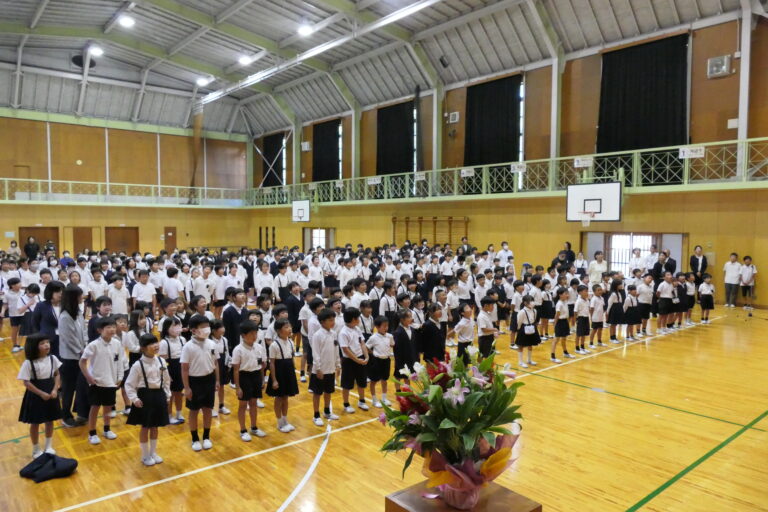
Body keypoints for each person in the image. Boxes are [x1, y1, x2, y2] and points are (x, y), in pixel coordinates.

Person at [125, 333, 171, 466]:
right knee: (145, 427)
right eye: (151, 343)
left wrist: (167, 395)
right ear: (143, 348)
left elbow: (166, 380)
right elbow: (129, 384)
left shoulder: (161, 361)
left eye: (156, 342)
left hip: (159, 395)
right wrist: (134, 398)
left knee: (155, 426)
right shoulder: (138, 365)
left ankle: (153, 452)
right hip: (145, 396)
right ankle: (145, 455)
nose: (156, 345)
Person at [80, 316, 127, 445]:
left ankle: (107, 429)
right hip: (97, 382)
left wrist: (120, 377)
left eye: (113, 327)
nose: (112, 329)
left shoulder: (117, 343)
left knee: (108, 407)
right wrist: (89, 377)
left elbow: (120, 362)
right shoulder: (93, 345)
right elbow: (82, 362)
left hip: (111, 382)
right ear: (100, 330)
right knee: (95, 408)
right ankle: (92, 433)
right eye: (108, 327)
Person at [18, 333, 62, 459]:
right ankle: (36, 448)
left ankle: (48, 446)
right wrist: (41, 393)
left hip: (50, 392)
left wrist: (55, 389)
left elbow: (57, 374)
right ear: (34, 346)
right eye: (42, 343)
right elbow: (26, 382)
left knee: (50, 420)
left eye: (47, 342)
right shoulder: (28, 363)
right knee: (35, 422)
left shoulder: (53, 359)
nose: (46, 345)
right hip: (35, 394)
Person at [181, 314, 219, 451]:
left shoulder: (212, 344)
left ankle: (207, 436)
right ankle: (195, 438)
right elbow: (184, 369)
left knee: (208, 409)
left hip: (209, 379)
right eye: (203, 327)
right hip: (194, 381)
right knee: (194, 411)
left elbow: (215, 363)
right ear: (193, 330)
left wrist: (217, 380)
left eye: (207, 326)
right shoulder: (188, 347)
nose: (207, 329)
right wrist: (187, 387)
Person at [58, 285, 89, 428]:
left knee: (81, 386)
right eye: (79, 295)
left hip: (81, 355)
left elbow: (83, 331)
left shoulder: (78, 312)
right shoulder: (64, 316)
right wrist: (81, 351)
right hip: (69, 358)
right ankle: (65, 415)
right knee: (68, 388)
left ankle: (81, 412)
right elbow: (68, 338)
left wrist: (86, 346)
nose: (81, 298)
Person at [231, 320, 267, 441]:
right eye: (251, 333)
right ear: (243, 335)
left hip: (256, 376)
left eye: (255, 333)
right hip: (244, 377)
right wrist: (237, 387)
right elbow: (236, 370)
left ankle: (254, 427)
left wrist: (262, 379)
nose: (254, 336)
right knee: (243, 405)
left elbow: (261, 365)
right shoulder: (238, 349)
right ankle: (243, 430)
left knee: (253, 403)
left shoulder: (259, 347)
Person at [309, 308, 341, 425]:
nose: (333, 322)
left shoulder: (334, 333)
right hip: (320, 370)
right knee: (317, 393)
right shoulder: (317, 335)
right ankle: (316, 415)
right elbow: (315, 353)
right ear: (322, 322)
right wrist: (318, 368)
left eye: (334, 319)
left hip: (331, 368)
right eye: (330, 320)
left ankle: (327, 411)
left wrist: (338, 365)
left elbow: (336, 349)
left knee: (328, 392)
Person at [267, 318, 299, 433]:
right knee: (279, 398)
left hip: (288, 371)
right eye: (286, 327)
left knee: (286, 397)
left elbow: (291, 358)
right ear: (278, 331)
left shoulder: (291, 342)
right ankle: (279, 422)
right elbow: (272, 363)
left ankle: (285, 420)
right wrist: (274, 380)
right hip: (279, 372)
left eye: (289, 326)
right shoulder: (274, 345)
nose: (289, 329)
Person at [158, 317, 185, 425]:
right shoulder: (164, 342)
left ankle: (179, 413)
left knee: (179, 392)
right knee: (170, 395)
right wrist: (166, 375)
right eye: (174, 326)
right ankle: (168, 415)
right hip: (170, 368)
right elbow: (162, 361)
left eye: (178, 325)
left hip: (181, 367)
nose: (177, 328)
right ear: (167, 328)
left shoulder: (182, 340)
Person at [32, 281, 64, 358]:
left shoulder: (66, 305)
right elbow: (35, 323)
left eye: (62, 291)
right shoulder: (41, 305)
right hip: (48, 339)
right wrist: (40, 338)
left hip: (64, 338)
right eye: (57, 291)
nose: (60, 293)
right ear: (50, 292)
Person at [514, 295, 540, 368]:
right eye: (530, 301)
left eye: (532, 301)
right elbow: (519, 321)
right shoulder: (522, 311)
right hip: (523, 328)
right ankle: (520, 361)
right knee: (521, 345)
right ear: (525, 303)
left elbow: (534, 320)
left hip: (532, 327)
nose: (532, 303)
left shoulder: (535, 310)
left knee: (530, 344)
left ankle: (529, 360)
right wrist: (519, 329)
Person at [552, 288, 573, 363]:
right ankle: (553, 356)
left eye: (567, 293)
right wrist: (555, 323)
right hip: (559, 322)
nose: (567, 295)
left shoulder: (565, 302)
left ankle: (565, 352)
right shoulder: (559, 303)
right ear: (560, 295)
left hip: (565, 321)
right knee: (556, 339)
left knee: (564, 338)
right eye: (565, 293)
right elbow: (557, 314)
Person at [606, 280, 626, 344]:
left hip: (618, 308)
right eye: (620, 285)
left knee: (615, 324)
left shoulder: (619, 293)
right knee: (613, 324)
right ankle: (612, 338)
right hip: (614, 309)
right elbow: (609, 304)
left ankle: (614, 337)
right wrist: (607, 312)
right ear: (616, 286)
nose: (621, 286)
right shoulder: (613, 294)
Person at [574, 285, 591, 355]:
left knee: (584, 334)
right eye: (585, 291)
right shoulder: (578, 301)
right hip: (580, 318)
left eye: (587, 291)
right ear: (580, 292)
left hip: (586, 318)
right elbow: (575, 312)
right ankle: (577, 348)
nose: (587, 293)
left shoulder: (587, 300)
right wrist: (576, 320)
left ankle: (582, 347)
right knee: (579, 334)